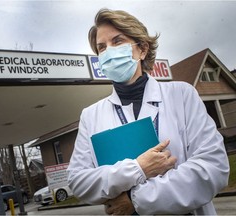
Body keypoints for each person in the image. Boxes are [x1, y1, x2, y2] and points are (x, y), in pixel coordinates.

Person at [67, 8, 230, 215]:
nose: (108, 52)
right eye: (101, 47)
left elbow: (213, 168)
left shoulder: (181, 95)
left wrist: (136, 200)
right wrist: (137, 169)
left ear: (142, 49)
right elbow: (79, 181)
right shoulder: (91, 116)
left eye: (117, 41)